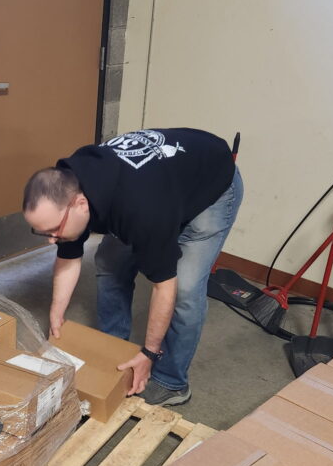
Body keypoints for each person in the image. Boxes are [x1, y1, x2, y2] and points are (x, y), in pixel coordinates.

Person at [22, 128, 242, 407]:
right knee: (109, 261)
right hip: (161, 186)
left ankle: (173, 382)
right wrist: (57, 310)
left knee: (185, 289)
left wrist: (149, 353)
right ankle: (114, 348)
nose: (51, 239)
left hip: (212, 182)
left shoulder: (141, 210)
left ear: (80, 204)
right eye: (42, 233)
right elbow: (68, 254)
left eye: (53, 231)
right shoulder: (70, 185)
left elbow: (164, 285)